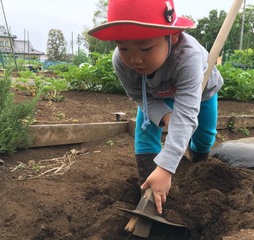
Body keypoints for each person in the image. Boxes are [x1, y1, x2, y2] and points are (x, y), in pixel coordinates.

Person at [88, 0, 223, 214]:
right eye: (123, 48)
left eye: (145, 47)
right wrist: (166, 116)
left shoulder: (189, 58)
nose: (134, 58)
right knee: (145, 134)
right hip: (152, 95)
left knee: (204, 136)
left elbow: (187, 114)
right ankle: (150, 198)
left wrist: (167, 166)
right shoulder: (121, 62)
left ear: (173, 36)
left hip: (200, 93)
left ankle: (197, 172)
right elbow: (138, 97)